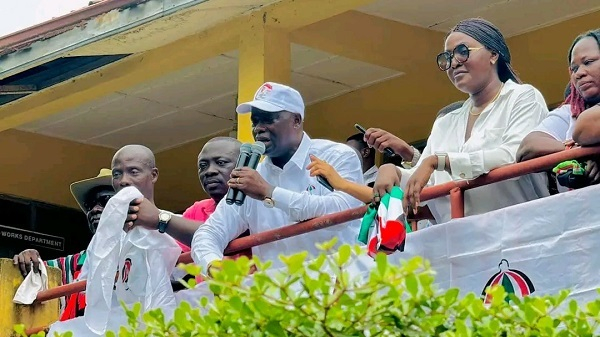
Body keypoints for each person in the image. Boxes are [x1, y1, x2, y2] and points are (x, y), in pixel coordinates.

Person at [125, 82, 363, 276]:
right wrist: (213, 266)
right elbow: (209, 233)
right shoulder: (251, 176)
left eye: (268, 119)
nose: (258, 128)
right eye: (255, 121)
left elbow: (342, 209)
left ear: (296, 120)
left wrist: (269, 192)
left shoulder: (335, 156)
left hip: (340, 283)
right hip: (280, 299)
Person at [371, 18, 549, 224]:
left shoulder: (523, 97)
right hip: (460, 242)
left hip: (519, 230)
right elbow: (422, 182)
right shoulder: (446, 122)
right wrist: (391, 171)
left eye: (462, 51)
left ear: (493, 54)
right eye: (447, 57)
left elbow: (514, 156)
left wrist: (441, 161)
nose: (453, 63)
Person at [12, 169, 115, 320]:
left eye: (105, 201)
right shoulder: (70, 265)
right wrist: (29, 258)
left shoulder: (144, 254)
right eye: (90, 204)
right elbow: (39, 273)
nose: (94, 209)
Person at [518, 29, 600, 186]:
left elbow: (586, 127)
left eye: (588, 62)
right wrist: (577, 155)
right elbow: (526, 149)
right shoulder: (570, 112)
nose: (579, 73)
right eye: (574, 69)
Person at [183, 136, 252, 259]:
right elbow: (175, 260)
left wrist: (161, 219)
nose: (209, 171)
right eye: (203, 166)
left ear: (245, 165)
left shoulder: (261, 203)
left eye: (221, 163)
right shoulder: (196, 211)